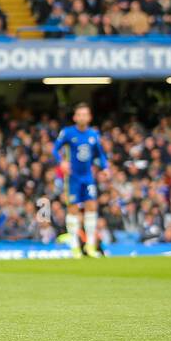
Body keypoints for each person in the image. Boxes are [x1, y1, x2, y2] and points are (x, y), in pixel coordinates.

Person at [53, 102, 108, 258]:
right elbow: (55, 149)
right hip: (72, 177)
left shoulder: (93, 134)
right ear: (75, 117)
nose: (83, 117)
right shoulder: (68, 133)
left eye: (85, 114)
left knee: (91, 207)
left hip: (88, 177)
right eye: (80, 114)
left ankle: (90, 246)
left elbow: (100, 154)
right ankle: (75, 246)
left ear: (89, 117)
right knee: (73, 209)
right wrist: (61, 161)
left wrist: (105, 168)